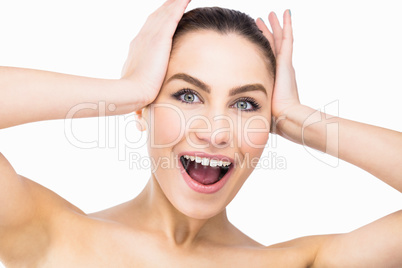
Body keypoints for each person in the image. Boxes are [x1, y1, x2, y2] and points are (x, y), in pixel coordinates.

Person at [0, 0, 401, 267]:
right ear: (143, 110)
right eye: (187, 95)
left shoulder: (300, 263)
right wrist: (128, 90)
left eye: (246, 104)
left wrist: (299, 119)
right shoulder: (48, 234)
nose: (215, 132)